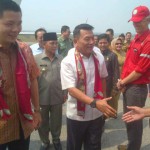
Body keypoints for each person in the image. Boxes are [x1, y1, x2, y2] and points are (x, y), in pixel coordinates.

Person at [61, 23, 117, 150]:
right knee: (74, 146)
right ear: (76, 41)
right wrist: (95, 103)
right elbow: (71, 90)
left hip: (96, 114)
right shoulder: (67, 62)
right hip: (76, 116)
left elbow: (103, 77)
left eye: (93, 38)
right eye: (87, 39)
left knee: (94, 146)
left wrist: (104, 101)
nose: (92, 42)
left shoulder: (99, 57)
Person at [0, 0, 41, 150]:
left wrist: (37, 110)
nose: (16, 29)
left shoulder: (24, 49)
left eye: (19, 24)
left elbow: (33, 79)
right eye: (10, 24)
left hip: (23, 121)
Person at [117, 5, 150, 150]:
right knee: (128, 119)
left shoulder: (148, 41)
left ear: (148, 19)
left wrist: (123, 81)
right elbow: (129, 63)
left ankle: (133, 147)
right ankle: (132, 144)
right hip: (128, 85)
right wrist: (122, 81)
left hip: (136, 87)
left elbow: (139, 70)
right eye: (134, 21)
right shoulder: (137, 37)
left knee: (134, 120)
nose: (136, 24)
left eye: (139, 21)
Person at [34, 33, 66, 150]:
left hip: (57, 96)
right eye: (52, 43)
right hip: (41, 97)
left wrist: (65, 93)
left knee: (56, 121)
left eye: (56, 43)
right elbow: (33, 80)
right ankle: (45, 141)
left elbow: (65, 78)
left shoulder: (61, 59)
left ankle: (56, 139)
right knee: (42, 122)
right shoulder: (36, 59)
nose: (55, 45)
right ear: (44, 44)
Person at [97, 34, 120, 111]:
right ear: (97, 43)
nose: (102, 45)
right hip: (96, 84)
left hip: (107, 85)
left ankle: (103, 118)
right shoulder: (95, 54)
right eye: (100, 43)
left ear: (108, 43)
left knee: (105, 103)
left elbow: (116, 72)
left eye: (105, 43)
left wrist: (115, 88)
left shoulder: (112, 55)